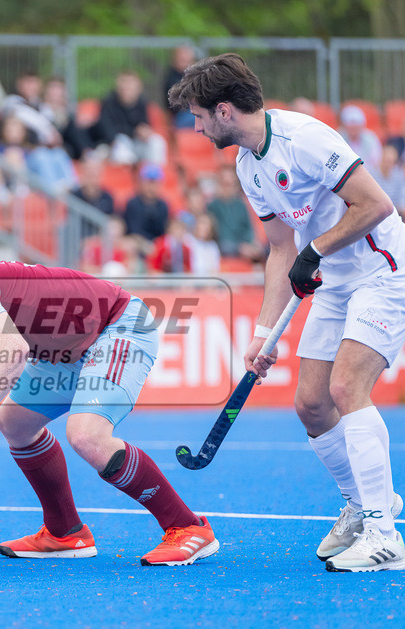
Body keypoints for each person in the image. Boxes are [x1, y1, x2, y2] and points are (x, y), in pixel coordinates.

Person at [169, 52, 405, 571]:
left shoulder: (306, 139)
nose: (197, 125)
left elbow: (376, 206)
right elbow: (280, 248)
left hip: (382, 270)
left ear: (225, 111)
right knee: (312, 406)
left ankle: (386, 537)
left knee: (347, 389)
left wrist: (314, 250)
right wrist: (261, 334)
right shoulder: (246, 164)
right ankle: (365, 507)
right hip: (335, 282)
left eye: (200, 115)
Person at [0, 253, 219, 566]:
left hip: (116, 325)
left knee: (87, 435)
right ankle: (66, 533)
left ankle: (189, 527)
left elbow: (11, 351)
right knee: (14, 422)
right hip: (63, 352)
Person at [93, 71, 168, 167]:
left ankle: (154, 175)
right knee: (121, 144)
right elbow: (108, 132)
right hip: (114, 147)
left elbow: (144, 125)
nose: (127, 89)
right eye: (125, 85)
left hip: (136, 144)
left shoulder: (142, 103)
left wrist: (145, 132)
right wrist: (134, 132)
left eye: (131, 87)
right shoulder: (108, 104)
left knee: (157, 141)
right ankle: (128, 178)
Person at [207, 166, 266, 264]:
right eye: (226, 184)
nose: (229, 188)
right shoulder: (213, 206)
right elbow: (216, 235)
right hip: (223, 245)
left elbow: (248, 228)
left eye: (232, 184)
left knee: (267, 249)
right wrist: (239, 247)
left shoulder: (241, 205)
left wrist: (251, 243)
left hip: (242, 244)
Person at [123, 163, 170, 250]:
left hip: (158, 248)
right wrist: (147, 246)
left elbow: (164, 232)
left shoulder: (163, 206)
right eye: (149, 182)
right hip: (138, 247)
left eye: (154, 183)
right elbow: (133, 231)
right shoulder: (133, 204)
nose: (151, 187)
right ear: (141, 183)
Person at [338, 104, 382, 170]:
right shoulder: (339, 138)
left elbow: (376, 162)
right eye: (350, 125)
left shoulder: (371, 138)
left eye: (356, 124)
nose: (353, 128)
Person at [162, 45, 197, 129]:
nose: (184, 60)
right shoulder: (171, 78)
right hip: (181, 115)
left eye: (186, 58)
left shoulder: (196, 75)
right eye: (181, 58)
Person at [371, 142, 405, 216]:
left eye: (390, 161)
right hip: (376, 213)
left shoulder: (398, 175)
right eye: (386, 160)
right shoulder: (371, 174)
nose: (387, 164)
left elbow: (401, 200)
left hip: (395, 214)